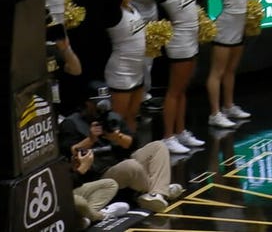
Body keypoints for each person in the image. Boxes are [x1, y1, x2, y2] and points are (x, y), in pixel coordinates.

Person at [59, 84, 184, 213]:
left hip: (120, 163)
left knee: (158, 146)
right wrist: (90, 140)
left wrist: (117, 137)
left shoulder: (111, 117)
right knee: (131, 166)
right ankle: (161, 189)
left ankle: (157, 194)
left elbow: (133, 144)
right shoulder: (71, 123)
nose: (102, 107)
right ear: (87, 103)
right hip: (99, 175)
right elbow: (69, 152)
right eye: (98, 103)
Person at [153, 0, 206, 154]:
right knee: (174, 92)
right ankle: (168, 136)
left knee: (183, 90)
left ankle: (181, 131)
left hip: (192, 41)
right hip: (179, 43)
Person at [101, 0, 146, 133]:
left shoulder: (134, 9)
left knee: (131, 118)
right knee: (116, 124)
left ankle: (133, 156)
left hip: (137, 72)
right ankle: (117, 161)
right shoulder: (113, 13)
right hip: (121, 73)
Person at [206, 0, 251, 129]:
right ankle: (214, 114)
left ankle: (228, 106)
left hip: (239, 25)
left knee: (231, 70)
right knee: (218, 71)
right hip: (225, 26)